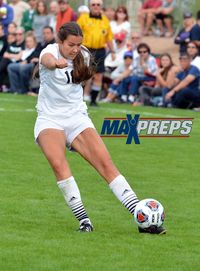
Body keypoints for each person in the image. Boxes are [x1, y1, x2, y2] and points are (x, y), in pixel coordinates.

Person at [34, 22, 166, 234]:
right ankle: (84, 221)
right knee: (60, 166)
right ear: (60, 41)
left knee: (106, 165)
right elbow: (47, 62)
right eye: (70, 45)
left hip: (77, 117)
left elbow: (84, 77)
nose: (75, 49)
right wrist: (56, 63)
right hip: (50, 118)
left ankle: (141, 217)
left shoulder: (84, 55)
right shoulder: (49, 52)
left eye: (79, 44)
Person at [77, 0, 115, 106]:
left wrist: (113, 51)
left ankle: (93, 100)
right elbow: (76, 33)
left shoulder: (105, 20)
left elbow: (109, 37)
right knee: (83, 74)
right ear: (90, 6)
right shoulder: (83, 18)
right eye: (93, 4)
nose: (96, 6)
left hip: (100, 50)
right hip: (85, 49)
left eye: (98, 5)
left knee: (98, 76)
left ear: (101, 6)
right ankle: (78, 98)